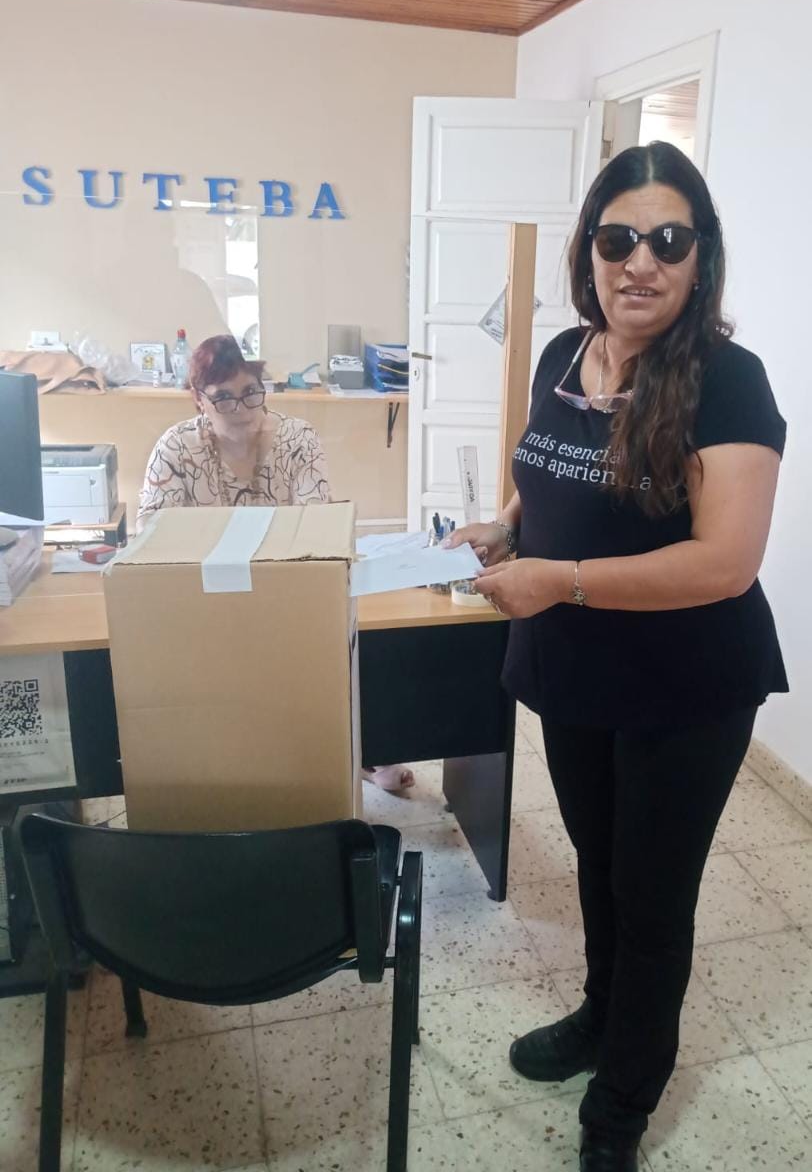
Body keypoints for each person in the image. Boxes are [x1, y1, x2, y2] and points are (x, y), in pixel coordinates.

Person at [448, 142, 787, 1172]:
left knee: (651, 897)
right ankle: (602, 1016)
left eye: (667, 240)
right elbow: (546, 470)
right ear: (588, 250)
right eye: (617, 238)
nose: (639, 262)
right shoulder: (565, 353)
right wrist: (509, 525)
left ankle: (623, 1102)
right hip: (575, 670)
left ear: (699, 257)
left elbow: (724, 561)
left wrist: (559, 577)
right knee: (598, 867)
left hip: (684, 683)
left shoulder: (726, 381)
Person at [138, 333, 415, 793]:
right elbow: (153, 538)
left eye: (250, 392)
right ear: (198, 399)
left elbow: (314, 528)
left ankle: (363, 754)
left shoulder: (297, 439)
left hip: (286, 591)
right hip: (205, 599)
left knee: (357, 639)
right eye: (223, 397)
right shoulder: (175, 448)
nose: (241, 408)